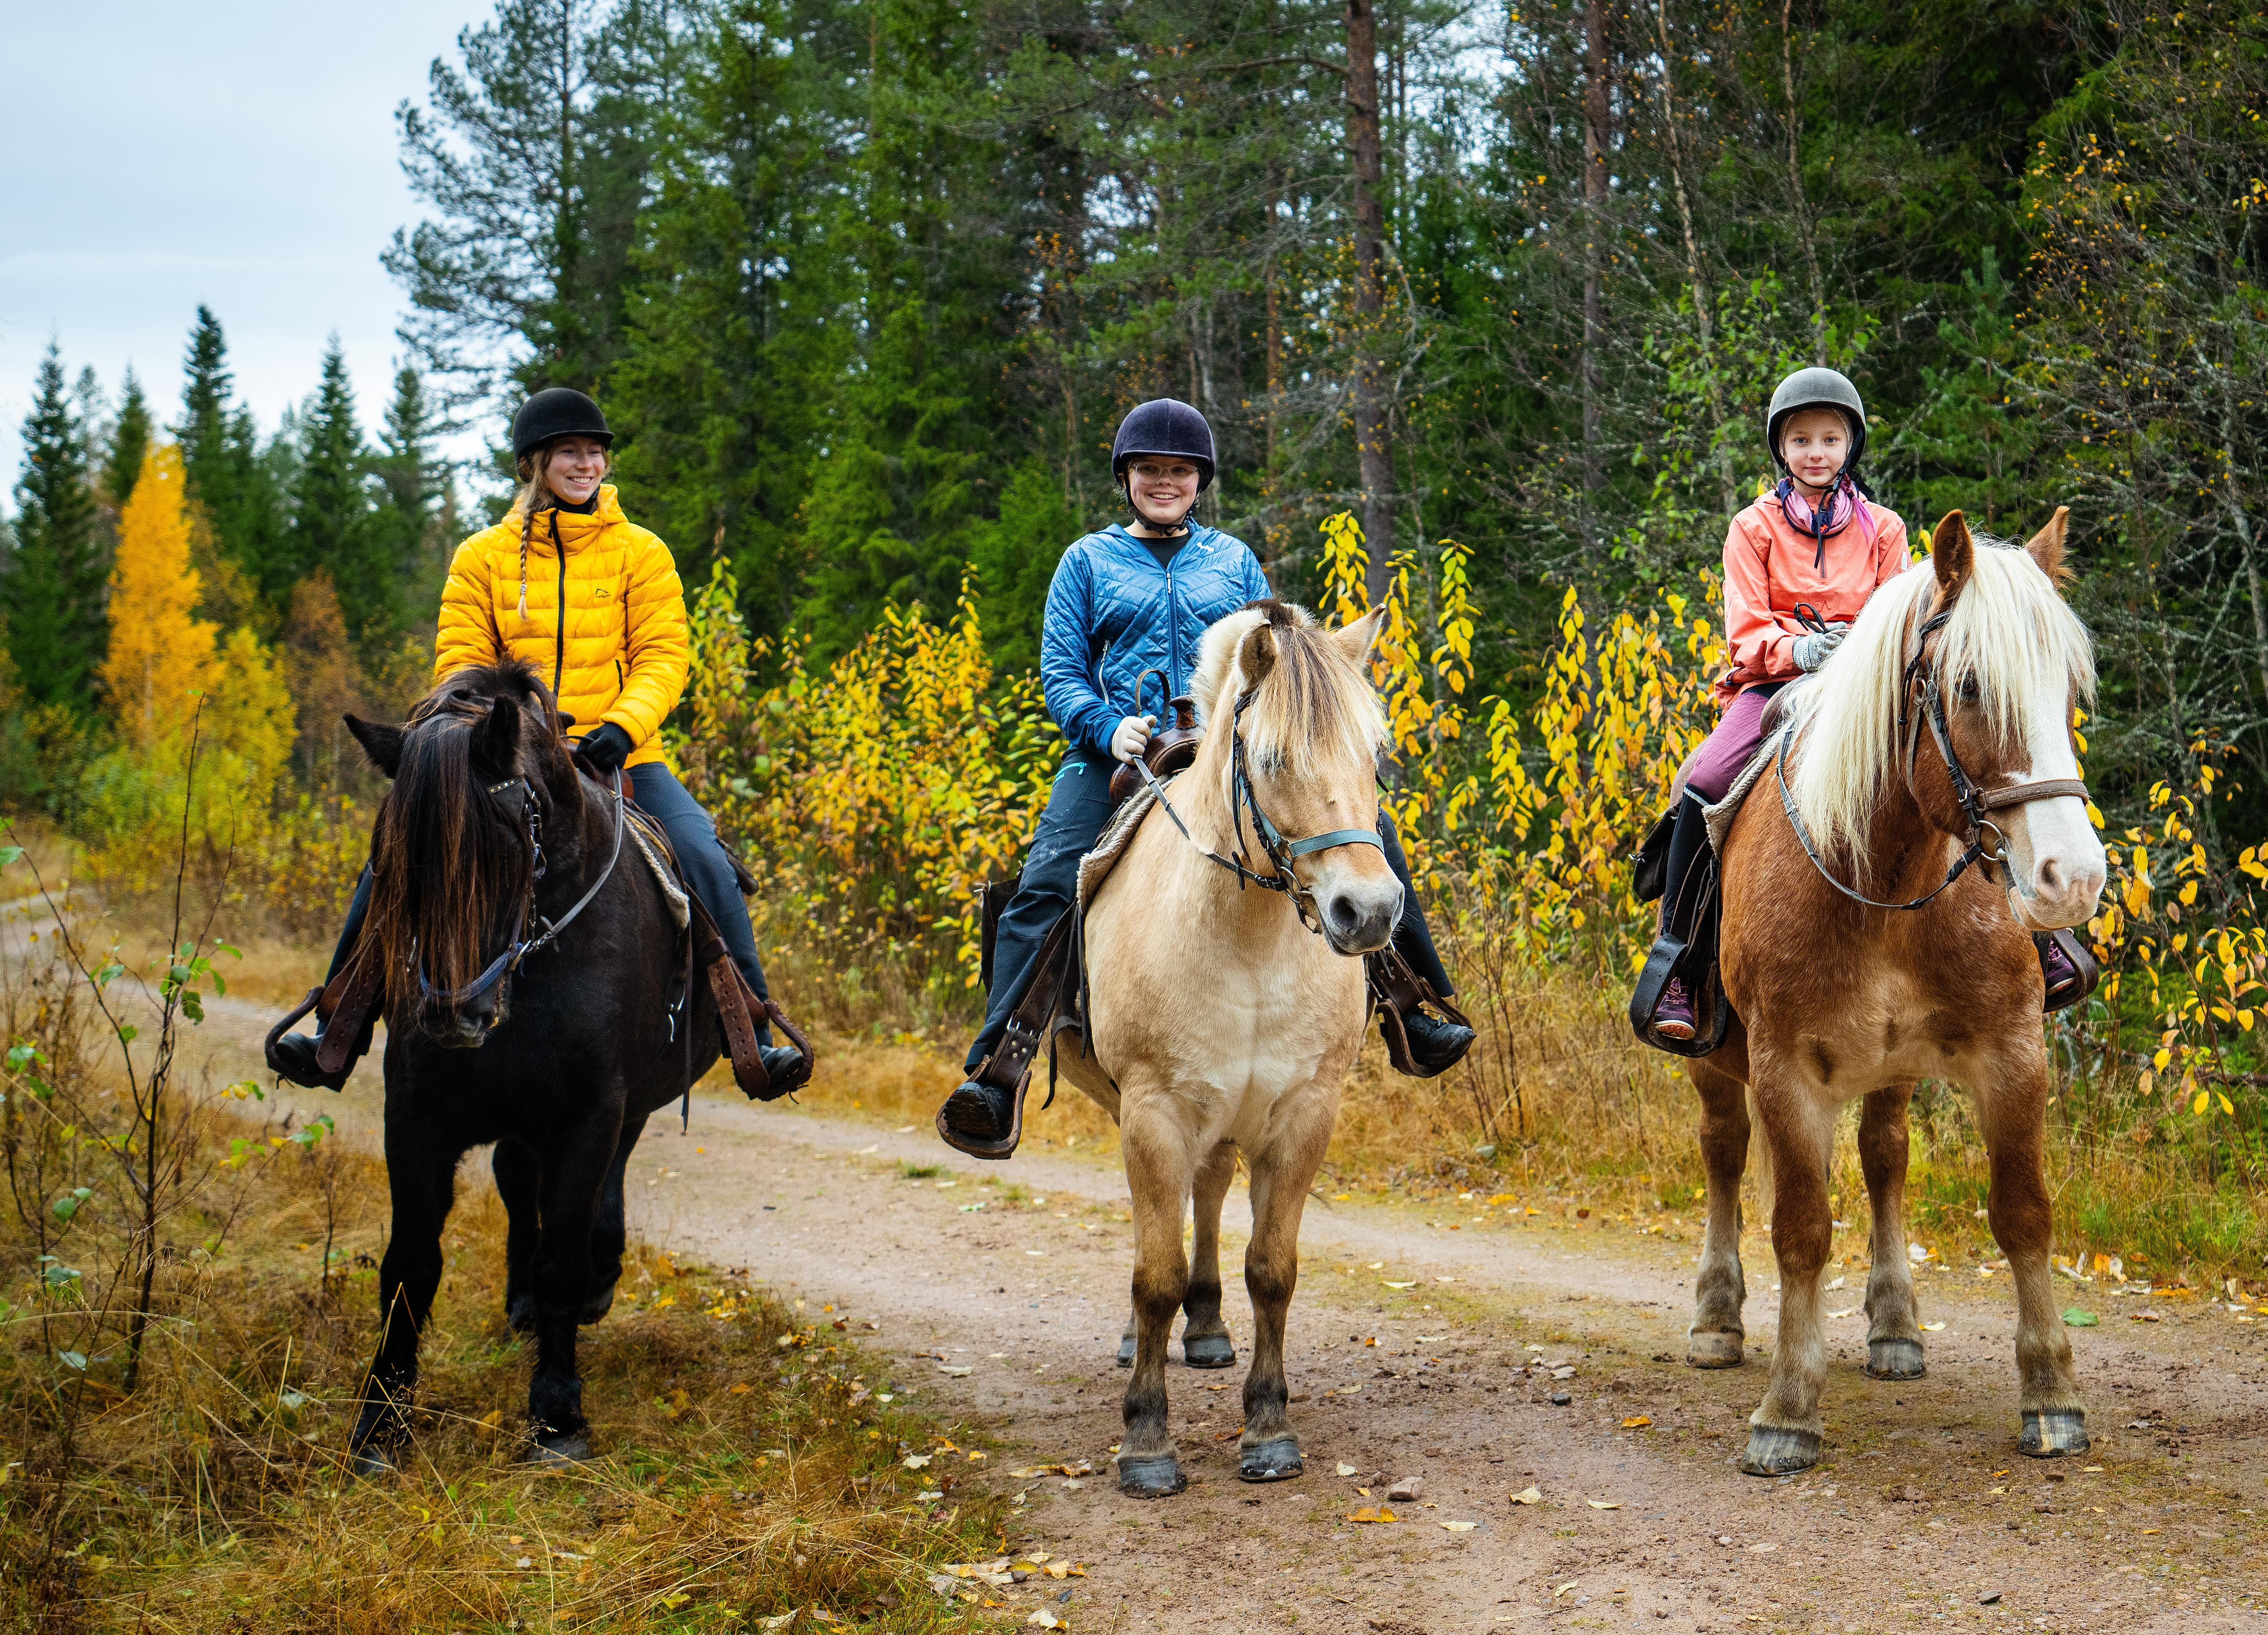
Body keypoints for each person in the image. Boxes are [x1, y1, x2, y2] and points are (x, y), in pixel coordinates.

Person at [935, 398, 1473, 1159]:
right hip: (1116, 757)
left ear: (1199, 481)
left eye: (1178, 471)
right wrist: (1103, 724)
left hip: (1227, 753)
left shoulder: (1234, 561)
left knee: (1364, 833)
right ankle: (997, 1069)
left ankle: (1413, 1007)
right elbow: (1059, 675)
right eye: (1150, 470)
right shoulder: (1085, 562)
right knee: (1048, 879)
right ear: (1126, 478)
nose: (1164, 482)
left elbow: (1281, 661)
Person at [267, 388, 808, 1097]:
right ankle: (339, 1027)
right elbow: (459, 668)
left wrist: (621, 728)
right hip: (501, 760)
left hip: (623, 757)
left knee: (703, 855)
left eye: (595, 452)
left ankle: (754, 1037)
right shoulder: (482, 558)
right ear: (534, 464)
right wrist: (507, 738)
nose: (586, 465)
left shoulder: (641, 553)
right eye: (569, 453)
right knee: (395, 857)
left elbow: (664, 656)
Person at [1639, 366, 2084, 1043]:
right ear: (1780, 450)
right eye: (1800, 441)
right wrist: (1800, 652)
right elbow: (1746, 630)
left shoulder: (1883, 527)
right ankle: (1680, 962)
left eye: (1830, 439)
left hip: (1865, 692)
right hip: (1770, 686)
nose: (1816, 453)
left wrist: (1852, 657)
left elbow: (1898, 614)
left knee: (1960, 772)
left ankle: (2039, 936)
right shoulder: (1751, 528)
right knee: (1703, 785)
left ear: (1851, 447)